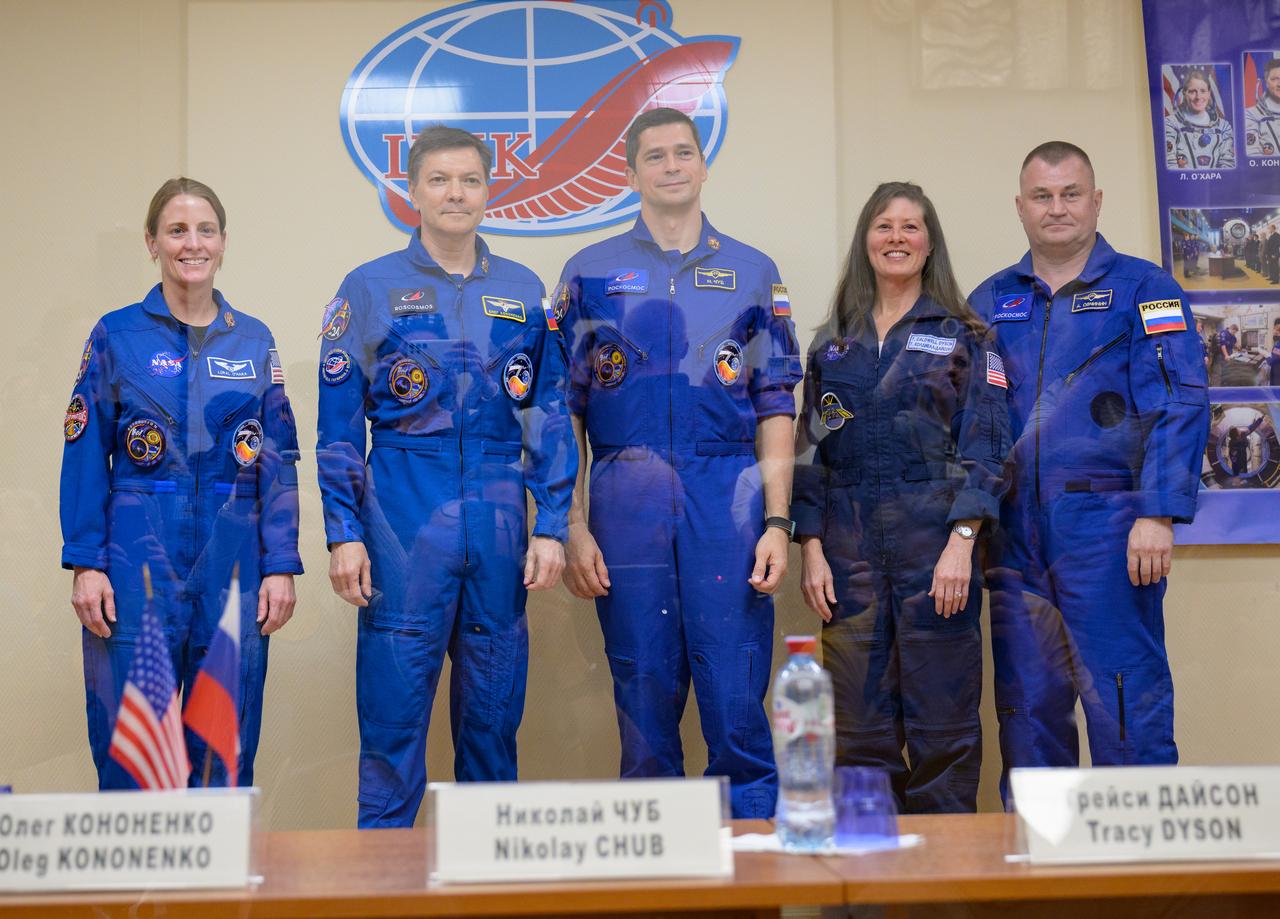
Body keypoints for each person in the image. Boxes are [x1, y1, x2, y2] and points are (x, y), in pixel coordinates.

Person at [316, 125, 575, 828]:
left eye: (469, 180)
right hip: (403, 517)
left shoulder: (522, 291)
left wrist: (551, 524)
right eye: (439, 179)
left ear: (489, 191)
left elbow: (547, 416)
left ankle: (488, 892)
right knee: (393, 730)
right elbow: (337, 427)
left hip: (497, 518)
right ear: (411, 191)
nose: (455, 193)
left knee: (492, 728)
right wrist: (344, 533)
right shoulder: (367, 288)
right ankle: (382, 895)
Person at [557, 107, 802, 819]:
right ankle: (655, 879)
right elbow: (561, 410)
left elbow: (777, 404)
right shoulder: (588, 272)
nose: (671, 165)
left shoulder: (753, 272)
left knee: (736, 698)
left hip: (726, 496)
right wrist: (573, 523)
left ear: (703, 164)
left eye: (683, 152)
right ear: (630, 172)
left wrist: (779, 520)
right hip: (623, 495)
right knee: (643, 699)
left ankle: (754, 876)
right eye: (655, 155)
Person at [969, 142, 1208, 800]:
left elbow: (1178, 402)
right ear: (1020, 207)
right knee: (1027, 707)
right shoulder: (990, 301)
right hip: (1014, 538)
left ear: (1096, 201)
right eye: (1042, 196)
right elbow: (969, 423)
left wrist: (1158, 512)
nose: (1057, 208)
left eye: (1070, 193)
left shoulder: (1145, 289)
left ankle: (1143, 881)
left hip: (1109, 530)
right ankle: (1042, 884)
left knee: (1124, 701)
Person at [60, 177, 302, 789]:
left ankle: (215, 886)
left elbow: (277, 457)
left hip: (234, 558)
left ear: (223, 243)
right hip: (139, 552)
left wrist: (280, 564)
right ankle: (137, 887)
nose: (191, 244)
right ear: (152, 242)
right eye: (176, 230)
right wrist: (86, 562)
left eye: (205, 230)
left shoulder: (254, 339)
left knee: (225, 748)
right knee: (133, 752)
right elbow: (84, 450)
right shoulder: (117, 335)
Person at [791, 183, 1010, 813]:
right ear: (865, 240)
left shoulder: (966, 335)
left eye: (911, 227)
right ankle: (869, 891)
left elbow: (988, 445)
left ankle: (940, 893)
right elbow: (810, 455)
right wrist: (811, 548)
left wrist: (962, 544)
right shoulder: (833, 344)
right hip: (848, 560)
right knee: (858, 736)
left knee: (943, 730)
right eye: (883, 226)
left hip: (933, 557)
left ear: (930, 243)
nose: (896, 238)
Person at [1164, 68, 1235, 170]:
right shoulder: (1171, 124)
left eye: (1203, 91)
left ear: (1209, 93)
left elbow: (1228, 165)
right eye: (1192, 91)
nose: (1198, 97)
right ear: (1184, 92)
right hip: (1184, 184)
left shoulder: (1223, 127)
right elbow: (1170, 166)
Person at [1245, 58, 1280, 157]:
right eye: (1274, 79)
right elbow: (1252, 154)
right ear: (1266, 82)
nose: (1279, 84)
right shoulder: (1251, 114)